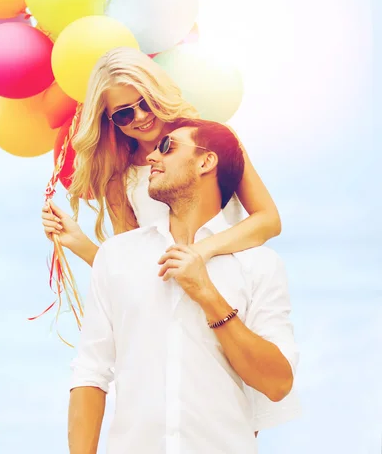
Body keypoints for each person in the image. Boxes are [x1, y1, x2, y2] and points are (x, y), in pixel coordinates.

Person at [42, 47, 301, 435]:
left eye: (144, 102)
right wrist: (79, 242)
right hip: (167, 300)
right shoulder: (120, 177)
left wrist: (202, 252)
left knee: (231, 413)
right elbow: (130, 273)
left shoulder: (209, 141)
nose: (141, 117)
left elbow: (269, 220)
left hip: (227, 285)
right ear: (110, 121)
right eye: (125, 114)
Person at [68, 120, 299, 454]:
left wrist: (208, 296)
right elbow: (90, 372)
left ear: (206, 161)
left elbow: (277, 384)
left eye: (168, 147)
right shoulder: (117, 256)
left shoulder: (259, 265)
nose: (151, 158)